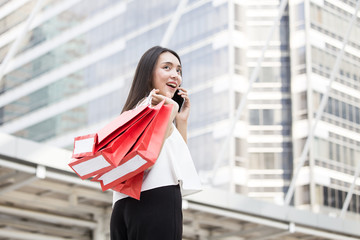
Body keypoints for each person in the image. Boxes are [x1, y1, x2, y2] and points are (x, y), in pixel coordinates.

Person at [110, 46, 202, 240]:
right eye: (167, 67)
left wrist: (181, 121)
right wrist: (171, 112)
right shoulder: (155, 108)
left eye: (178, 70)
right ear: (148, 73)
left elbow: (175, 159)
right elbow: (147, 159)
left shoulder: (135, 111)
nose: (175, 75)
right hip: (155, 202)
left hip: (123, 206)